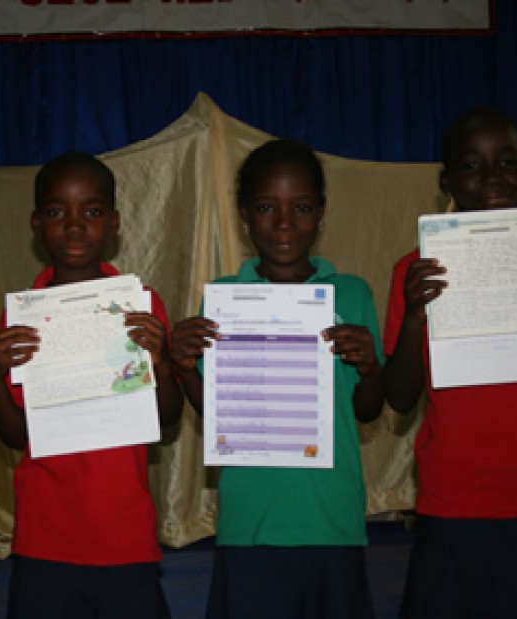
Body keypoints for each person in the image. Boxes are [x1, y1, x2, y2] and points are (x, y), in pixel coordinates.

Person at [383, 107, 517, 618]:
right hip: (454, 499)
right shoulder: (415, 272)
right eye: (472, 166)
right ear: (447, 180)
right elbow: (399, 396)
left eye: (507, 162)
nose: (492, 177)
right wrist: (415, 317)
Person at [170, 139, 384, 618]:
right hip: (251, 521)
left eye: (301, 207)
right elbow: (216, 411)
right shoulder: (224, 301)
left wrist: (370, 368)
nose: (284, 223)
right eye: (267, 207)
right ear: (245, 213)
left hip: (331, 518)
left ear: (321, 212)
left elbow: (367, 409)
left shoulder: (352, 294)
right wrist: (183, 368)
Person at [0, 152, 183, 619]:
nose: (74, 226)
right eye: (57, 212)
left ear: (113, 223)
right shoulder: (21, 319)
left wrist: (165, 366)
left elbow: (168, 419)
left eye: (91, 212)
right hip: (45, 535)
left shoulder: (141, 305)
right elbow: (15, 436)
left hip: (124, 534)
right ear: (36, 224)